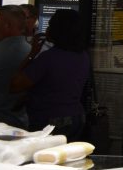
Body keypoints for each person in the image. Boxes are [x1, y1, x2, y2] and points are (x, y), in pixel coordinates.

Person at [9, 9, 90, 139]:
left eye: (50, 25)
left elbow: (15, 86)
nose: (47, 29)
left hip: (50, 120)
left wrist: (32, 54)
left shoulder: (49, 57)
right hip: (76, 116)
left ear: (58, 30)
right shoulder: (83, 55)